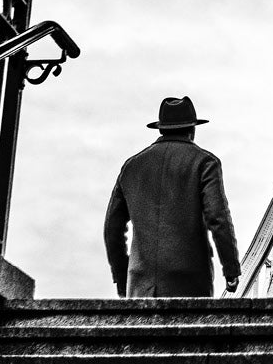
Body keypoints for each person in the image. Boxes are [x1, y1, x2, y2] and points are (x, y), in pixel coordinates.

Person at [103, 96, 240, 297]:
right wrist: (231, 270)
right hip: (190, 281)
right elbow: (218, 219)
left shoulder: (131, 167)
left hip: (140, 283)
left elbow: (112, 229)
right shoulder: (205, 163)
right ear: (192, 130)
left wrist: (121, 277)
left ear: (161, 129)